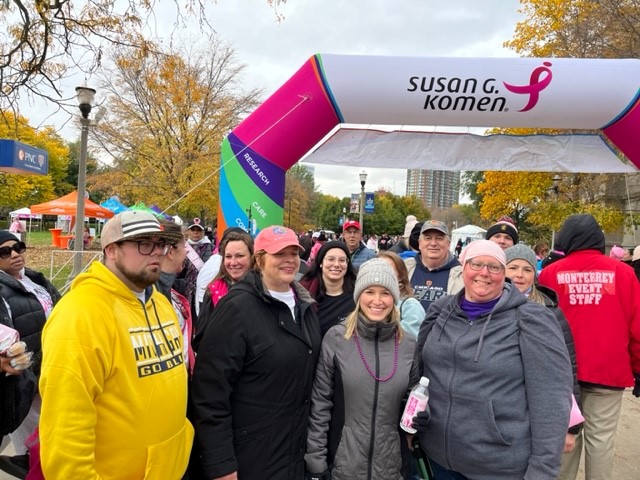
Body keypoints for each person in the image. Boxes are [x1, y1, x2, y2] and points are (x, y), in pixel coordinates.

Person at [38, 211, 193, 479]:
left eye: (161, 244)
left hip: (169, 469)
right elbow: (65, 428)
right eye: (144, 244)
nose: (157, 252)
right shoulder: (80, 313)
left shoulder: (160, 303)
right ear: (111, 250)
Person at [414, 240, 573, 480]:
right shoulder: (441, 311)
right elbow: (420, 372)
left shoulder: (531, 319)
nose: (484, 273)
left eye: (494, 266)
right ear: (463, 268)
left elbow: (551, 399)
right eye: (476, 264)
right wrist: (418, 415)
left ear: (503, 273)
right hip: (439, 459)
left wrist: (543, 469)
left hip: (499, 466)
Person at [189, 225, 321, 479]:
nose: (289, 260)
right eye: (279, 254)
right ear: (259, 260)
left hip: (292, 452)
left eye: (294, 253)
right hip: (250, 456)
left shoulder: (305, 305)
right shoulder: (237, 308)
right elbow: (210, 393)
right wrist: (221, 464)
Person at [538, 214, 640, 480]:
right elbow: (637, 327)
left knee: (564, 441)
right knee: (601, 441)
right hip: (607, 372)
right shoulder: (624, 273)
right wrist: (638, 369)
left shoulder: (550, 274)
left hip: (561, 373)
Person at [305, 259, 418, 479]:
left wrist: (421, 416)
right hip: (343, 465)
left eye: (385, 293)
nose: (377, 301)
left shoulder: (408, 345)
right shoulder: (337, 339)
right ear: (358, 297)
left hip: (390, 467)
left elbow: (414, 399)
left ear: (394, 298)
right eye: (369, 292)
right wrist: (316, 463)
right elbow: (320, 404)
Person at [504, 244, 582, 452]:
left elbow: (567, 368)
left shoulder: (550, 311)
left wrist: (571, 425)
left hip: (539, 406)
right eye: (513, 267)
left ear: (534, 275)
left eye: (527, 269)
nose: (519, 275)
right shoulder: (489, 306)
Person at [0, 232, 60, 479]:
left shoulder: (36, 280)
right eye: (5, 252)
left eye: (18, 247)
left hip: (52, 368)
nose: (15, 254)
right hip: (23, 378)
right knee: (32, 438)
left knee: (54, 431)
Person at [193, 229, 254, 348]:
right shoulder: (213, 291)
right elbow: (201, 339)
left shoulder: (265, 289)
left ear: (252, 257)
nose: (233, 262)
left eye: (240, 256)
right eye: (228, 257)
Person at [156, 219, 195, 375]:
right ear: (171, 252)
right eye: (184, 246)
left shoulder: (170, 291)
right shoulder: (151, 295)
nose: (187, 252)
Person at [299, 240, 356, 336]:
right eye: (331, 259)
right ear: (320, 262)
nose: (336, 264)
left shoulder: (357, 295)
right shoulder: (303, 293)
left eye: (342, 260)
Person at [404, 219, 463, 312]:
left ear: (448, 244)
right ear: (419, 243)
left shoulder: (462, 275)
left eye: (439, 238)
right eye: (428, 238)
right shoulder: (404, 268)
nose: (433, 243)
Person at [378, 250, 426, 340]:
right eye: (377, 270)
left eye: (388, 270)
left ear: (400, 275)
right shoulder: (368, 302)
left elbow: (410, 342)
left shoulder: (410, 306)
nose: (382, 275)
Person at [174, 217, 213, 309]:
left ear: (203, 232)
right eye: (193, 230)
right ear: (188, 231)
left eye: (198, 230)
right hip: (184, 290)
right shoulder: (181, 247)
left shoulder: (212, 248)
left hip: (203, 289)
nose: (196, 232)